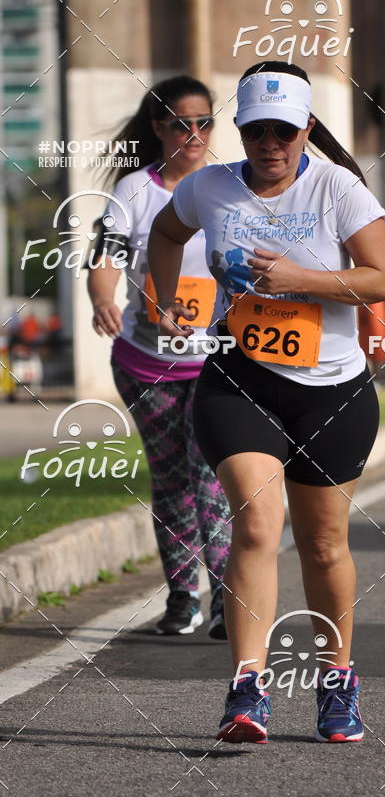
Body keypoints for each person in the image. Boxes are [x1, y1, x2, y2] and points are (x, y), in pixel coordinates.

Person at [147, 61, 385, 744]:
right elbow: (166, 235)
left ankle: (337, 682)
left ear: (306, 129)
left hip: (334, 392)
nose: (270, 144)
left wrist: (301, 279)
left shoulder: (337, 189)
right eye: (257, 130)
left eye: (284, 131)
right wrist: (166, 298)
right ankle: (246, 688)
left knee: (322, 544)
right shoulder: (211, 188)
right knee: (258, 524)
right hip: (241, 379)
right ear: (242, 130)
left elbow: (383, 275)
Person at [87, 75, 231, 638]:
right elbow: (106, 254)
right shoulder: (134, 191)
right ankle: (182, 598)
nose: (194, 134)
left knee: (209, 475)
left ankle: (225, 598)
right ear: (158, 127)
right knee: (170, 477)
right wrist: (104, 298)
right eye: (181, 123)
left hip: (216, 360)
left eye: (205, 122)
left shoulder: (227, 185)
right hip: (146, 362)